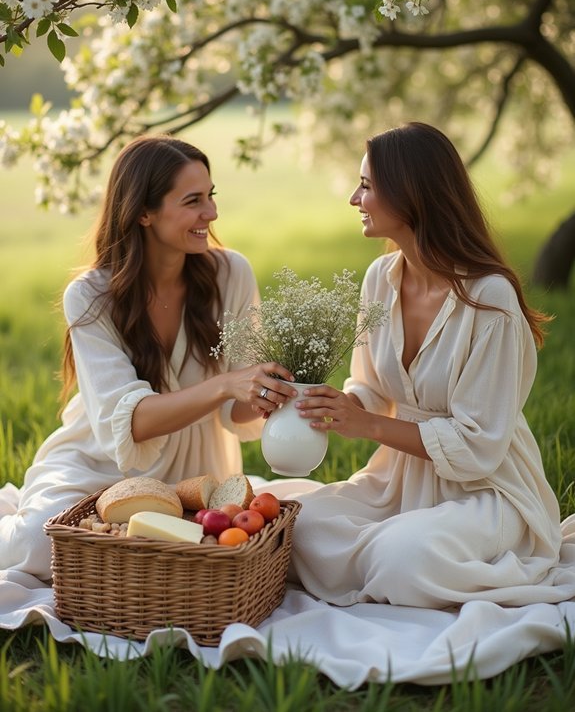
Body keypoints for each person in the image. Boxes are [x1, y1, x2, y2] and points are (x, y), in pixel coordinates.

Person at [289, 121, 575, 609]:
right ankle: (382, 557)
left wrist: (369, 425)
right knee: (297, 525)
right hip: (397, 481)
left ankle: (393, 560)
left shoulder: (491, 300)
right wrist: (333, 405)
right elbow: (371, 389)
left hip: (486, 490)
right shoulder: (381, 278)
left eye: (366, 186)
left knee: (404, 558)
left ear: (410, 196)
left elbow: (478, 447)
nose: (354, 199)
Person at [0, 134, 296, 581]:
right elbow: (132, 421)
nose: (211, 213)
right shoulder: (91, 295)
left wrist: (267, 394)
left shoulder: (231, 273)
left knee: (193, 560)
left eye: (211, 196)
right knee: (37, 548)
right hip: (101, 460)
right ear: (142, 211)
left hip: (196, 472)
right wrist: (223, 385)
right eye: (193, 201)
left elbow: (238, 410)